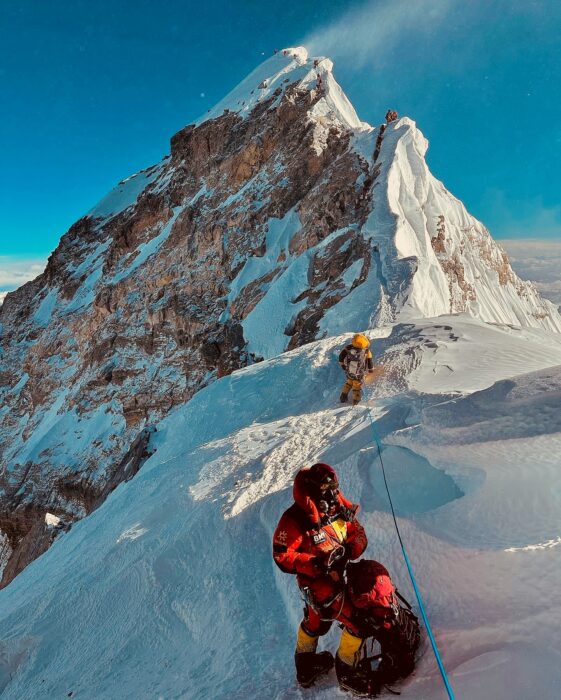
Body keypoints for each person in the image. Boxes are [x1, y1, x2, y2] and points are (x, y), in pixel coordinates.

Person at [272, 463, 369, 689]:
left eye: (334, 487)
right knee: (358, 623)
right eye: (326, 488)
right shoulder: (295, 519)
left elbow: (358, 532)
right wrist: (315, 564)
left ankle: (305, 668)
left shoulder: (338, 508)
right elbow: (282, 555)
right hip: (318, 584)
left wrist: (351, 550)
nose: (332, 493)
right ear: (314, 491)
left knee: (314, 623)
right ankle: (347, 672)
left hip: (341, 574)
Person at [339, 334, 375, 405]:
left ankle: (343, 396)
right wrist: (371, 369)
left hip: (349, 371)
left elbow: (341, 356)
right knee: (356, 386)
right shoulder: (367, 351)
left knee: (349, 382)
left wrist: (342, 364)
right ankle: (356, 401)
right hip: (359, 373)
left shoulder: (349, 348)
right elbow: (370, 361)